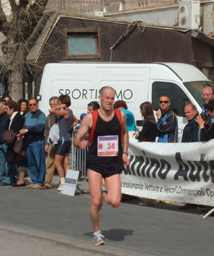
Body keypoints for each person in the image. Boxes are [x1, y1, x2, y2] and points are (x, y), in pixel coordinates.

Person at [73, 86, 130, 245]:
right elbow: (76, 139)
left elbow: (124, 133)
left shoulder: (121, 115)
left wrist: (124, 152)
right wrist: (80, 144)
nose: (110, 101)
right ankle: (97, 232)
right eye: (107, 98)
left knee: (115, 202)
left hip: (113, 164)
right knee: (96, 201)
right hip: (95, 164)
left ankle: (104, 194)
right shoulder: (91, 118)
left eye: (112, 98)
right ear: (100, 97)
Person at [49, 94, 75, 192]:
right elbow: (76, 121)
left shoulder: (65, 111)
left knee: (57, 161)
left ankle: (63, 182)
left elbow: (51, 111)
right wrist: (69, 127)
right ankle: (70, 185)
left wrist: (60, 106)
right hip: (66, 138)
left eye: (59, 102)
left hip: (64, 140)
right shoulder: (70, 112)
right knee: (65, 162)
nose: (57, 104)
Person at [18, 98, 46, 189]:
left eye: (34, 104)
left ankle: (40, 182)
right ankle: (34, 181)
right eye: (30, 105)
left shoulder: (41, 115)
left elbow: (40, 128)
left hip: (37, 142)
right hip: (29, 142)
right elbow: (24, 127)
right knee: (31, 163)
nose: (32, 106)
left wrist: (26, 130)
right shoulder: (28, 115)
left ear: (37, 105)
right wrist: (21, 133)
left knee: (39, 163)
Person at [136, 101, 158, 206]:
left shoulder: (148, 123)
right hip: (150, 148)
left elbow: (140, 137)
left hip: (147, 151)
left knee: (146, 175)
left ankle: (148, 199)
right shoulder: (152, 122)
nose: (140, 111)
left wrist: (140, 137)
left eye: (141, 109)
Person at [0, 102, 16, 186]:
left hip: (5, 142)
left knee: (9, 162)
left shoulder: (7, 117)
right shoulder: (0, 117)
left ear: (4, 109)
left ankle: (9, 179)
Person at [7, 100, 28, 187]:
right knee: (15, 161)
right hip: (13, 143)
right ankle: (17, 178)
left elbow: (17, 129)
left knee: (20, 160)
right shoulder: (11, 117)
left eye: (7, 108)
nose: (6, 110)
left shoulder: (18, 117)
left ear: (12, 109)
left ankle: (21, 180)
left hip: (18, 142)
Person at [42, 96, 59, 190]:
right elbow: (47, 130)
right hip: (51, 141)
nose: (52, 106)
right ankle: (48, 182)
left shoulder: (59, 114)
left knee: (61, 162)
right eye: (51, 104)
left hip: (60, 141)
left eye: (54, 104)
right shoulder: (49, 116)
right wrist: (46, 143)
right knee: (49, 162)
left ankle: (63, 181)